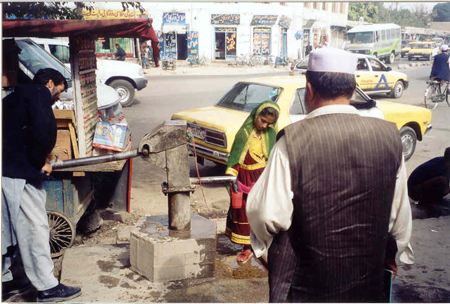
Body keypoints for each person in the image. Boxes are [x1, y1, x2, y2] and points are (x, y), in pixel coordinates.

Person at [246, 48, 414, 302]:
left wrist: (265, 245)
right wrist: (393, 253)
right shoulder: (390, 138)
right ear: (351, 88)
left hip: (306, 287)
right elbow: (399, 218)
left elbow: (266, 215)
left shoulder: (292, 141)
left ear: (309, 89)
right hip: (366, 283)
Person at [2, 68, 82, 302]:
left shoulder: (14, 97)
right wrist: (42, 163)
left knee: (6, 229)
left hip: (6, 169)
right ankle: (47, 287)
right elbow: (44, 132)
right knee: (34, 228)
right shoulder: (38, 95)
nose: (58, 97)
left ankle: (7, 281)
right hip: (22, 173)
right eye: (59, 91)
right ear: (49, 83)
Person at [225, 101, 280, 264]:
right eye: (262, 120)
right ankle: (247, 248)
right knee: (244, 213)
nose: (264, 125)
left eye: (269, 123)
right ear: (256, 116)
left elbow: (273, 157)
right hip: (244, 178)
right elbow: (235, 157)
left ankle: (265, 245)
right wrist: (232, 177)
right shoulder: (244, 133)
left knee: (263, 213)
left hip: (262, 178)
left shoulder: (270, 134)